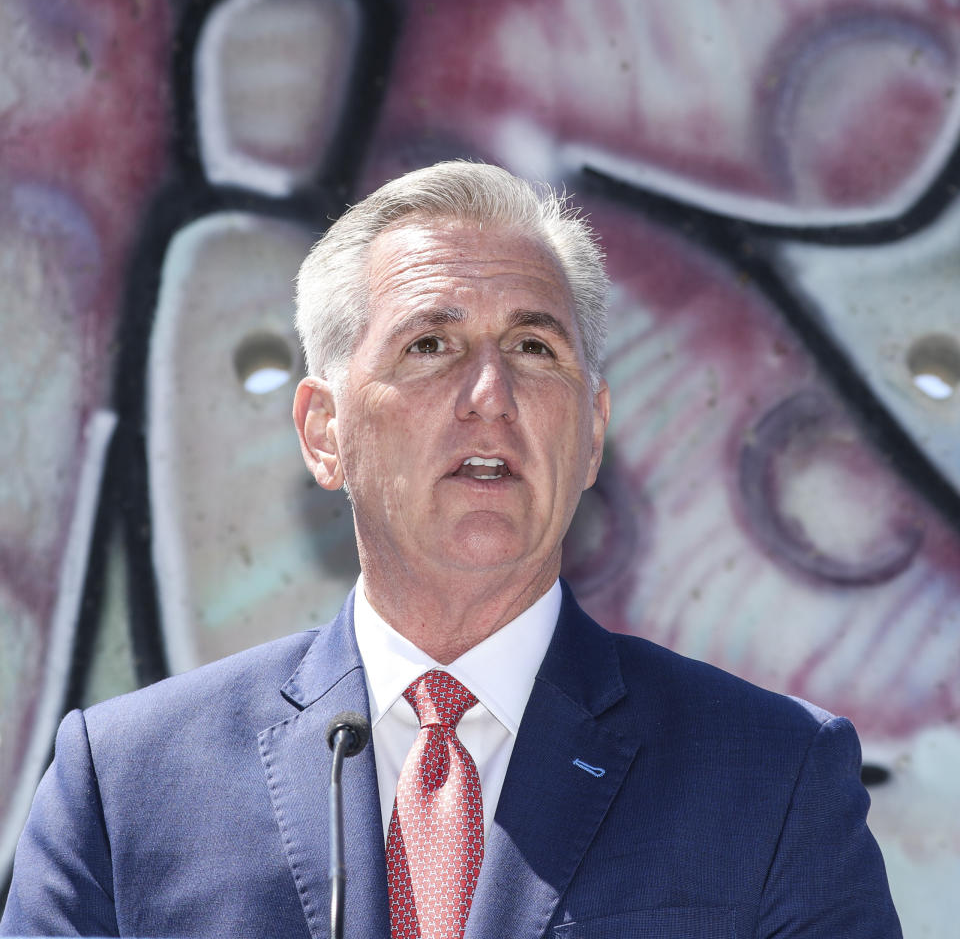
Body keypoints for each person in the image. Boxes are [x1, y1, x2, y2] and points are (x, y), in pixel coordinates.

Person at [2, 161, 901, 938]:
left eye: (534, 346)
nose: (490, 394)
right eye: (431, 345)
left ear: (591, 434)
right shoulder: (124, 788)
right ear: (324, 433)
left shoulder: (771, 778)